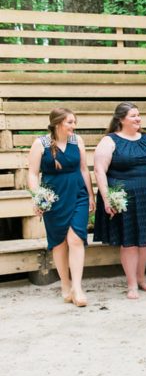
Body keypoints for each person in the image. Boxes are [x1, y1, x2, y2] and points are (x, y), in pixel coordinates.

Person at [93, 102, 146, 300]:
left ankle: (142, 279)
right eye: (133, 115)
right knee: (129, 242)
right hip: (125, 198)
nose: (138, 118)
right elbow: (99, 170)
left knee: (144, 240)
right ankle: (131, 284)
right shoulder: (109, 141)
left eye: (139, 115)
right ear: (121, 119)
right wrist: (106, 197)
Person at [26, 108, 94, 307]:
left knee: (76, 238)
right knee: (59, 243)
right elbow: (32, 174)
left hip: (77, 194)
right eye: (70, 122)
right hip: (53, 197)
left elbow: (83, 169)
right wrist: (38, 198)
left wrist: (90, 195)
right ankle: (65, 284)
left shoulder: (77, 141)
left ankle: (78, 287)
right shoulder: (40, 144)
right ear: (57, 123)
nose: (74, 126)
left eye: (74, 122)